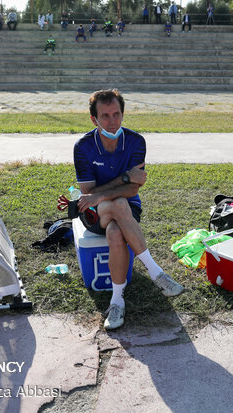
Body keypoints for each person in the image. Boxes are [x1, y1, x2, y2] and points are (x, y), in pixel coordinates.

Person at [73, 89, 184, 330]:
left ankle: (116, 302)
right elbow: (91, 196)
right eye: (105, 116)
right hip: (94, 214)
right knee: (116, 203)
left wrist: (107, 192)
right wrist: (124, 178)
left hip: (126, 209)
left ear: (123, 114)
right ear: (94, 119)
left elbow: (133, 191)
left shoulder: (135, 141)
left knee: (117, 227)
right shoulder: (82, 146)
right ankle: (156, 272)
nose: (112, 122)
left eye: (116, 114)